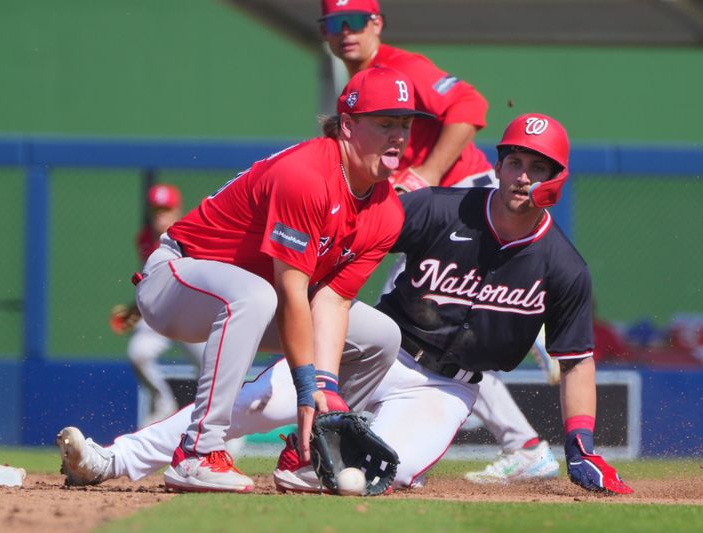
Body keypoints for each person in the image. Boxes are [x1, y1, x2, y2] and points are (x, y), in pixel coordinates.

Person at [56, 113, 633, 496]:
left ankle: (302, 463)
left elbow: (577, 358)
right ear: (499, 163)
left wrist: (580, 442)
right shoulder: (441, 210)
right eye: (514, 160)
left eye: (539, 167)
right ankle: (112, 460)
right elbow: (354, 231)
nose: (522, 176)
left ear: (558, 178)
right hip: (379, 353)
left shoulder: (563, 267)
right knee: (250, 404)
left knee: (376, 473)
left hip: (449, 389)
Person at [58, 66, 436, 493]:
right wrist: (306, 384)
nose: (399, 136)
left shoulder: (387, 212)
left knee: (381, 335)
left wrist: (324, 392)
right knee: (255, 295)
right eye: (385, 123)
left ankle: (308, 455)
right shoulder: (308, 176)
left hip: (258, 298)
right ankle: (198, 452)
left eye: (405, 125)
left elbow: (331, 303)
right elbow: (293, 290)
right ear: (347, 125)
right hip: (176, 278)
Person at [319, 0, 559, 482]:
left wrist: (425, 175)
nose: (346, 32)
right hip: (433, 207)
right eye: (333, 23)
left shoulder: (402, 67)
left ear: (377, 24)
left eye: (356, 21)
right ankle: (519, 440)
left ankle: (517, 431)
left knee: (415, 326)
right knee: (442, 336)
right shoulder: (356, 84)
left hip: (465, 200)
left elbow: (471, 107)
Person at [117, 184, 206, 426]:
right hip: (161, 313)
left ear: (177, 211)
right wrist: (136, 308)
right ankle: (163, 400)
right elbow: (155, 280)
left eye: (165, 210)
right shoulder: (145, 238)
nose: (160, 215)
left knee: (212, 370)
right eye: (156, 210)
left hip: (192, 312)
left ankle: (224, 427)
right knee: (139, 353)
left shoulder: (192, 233)